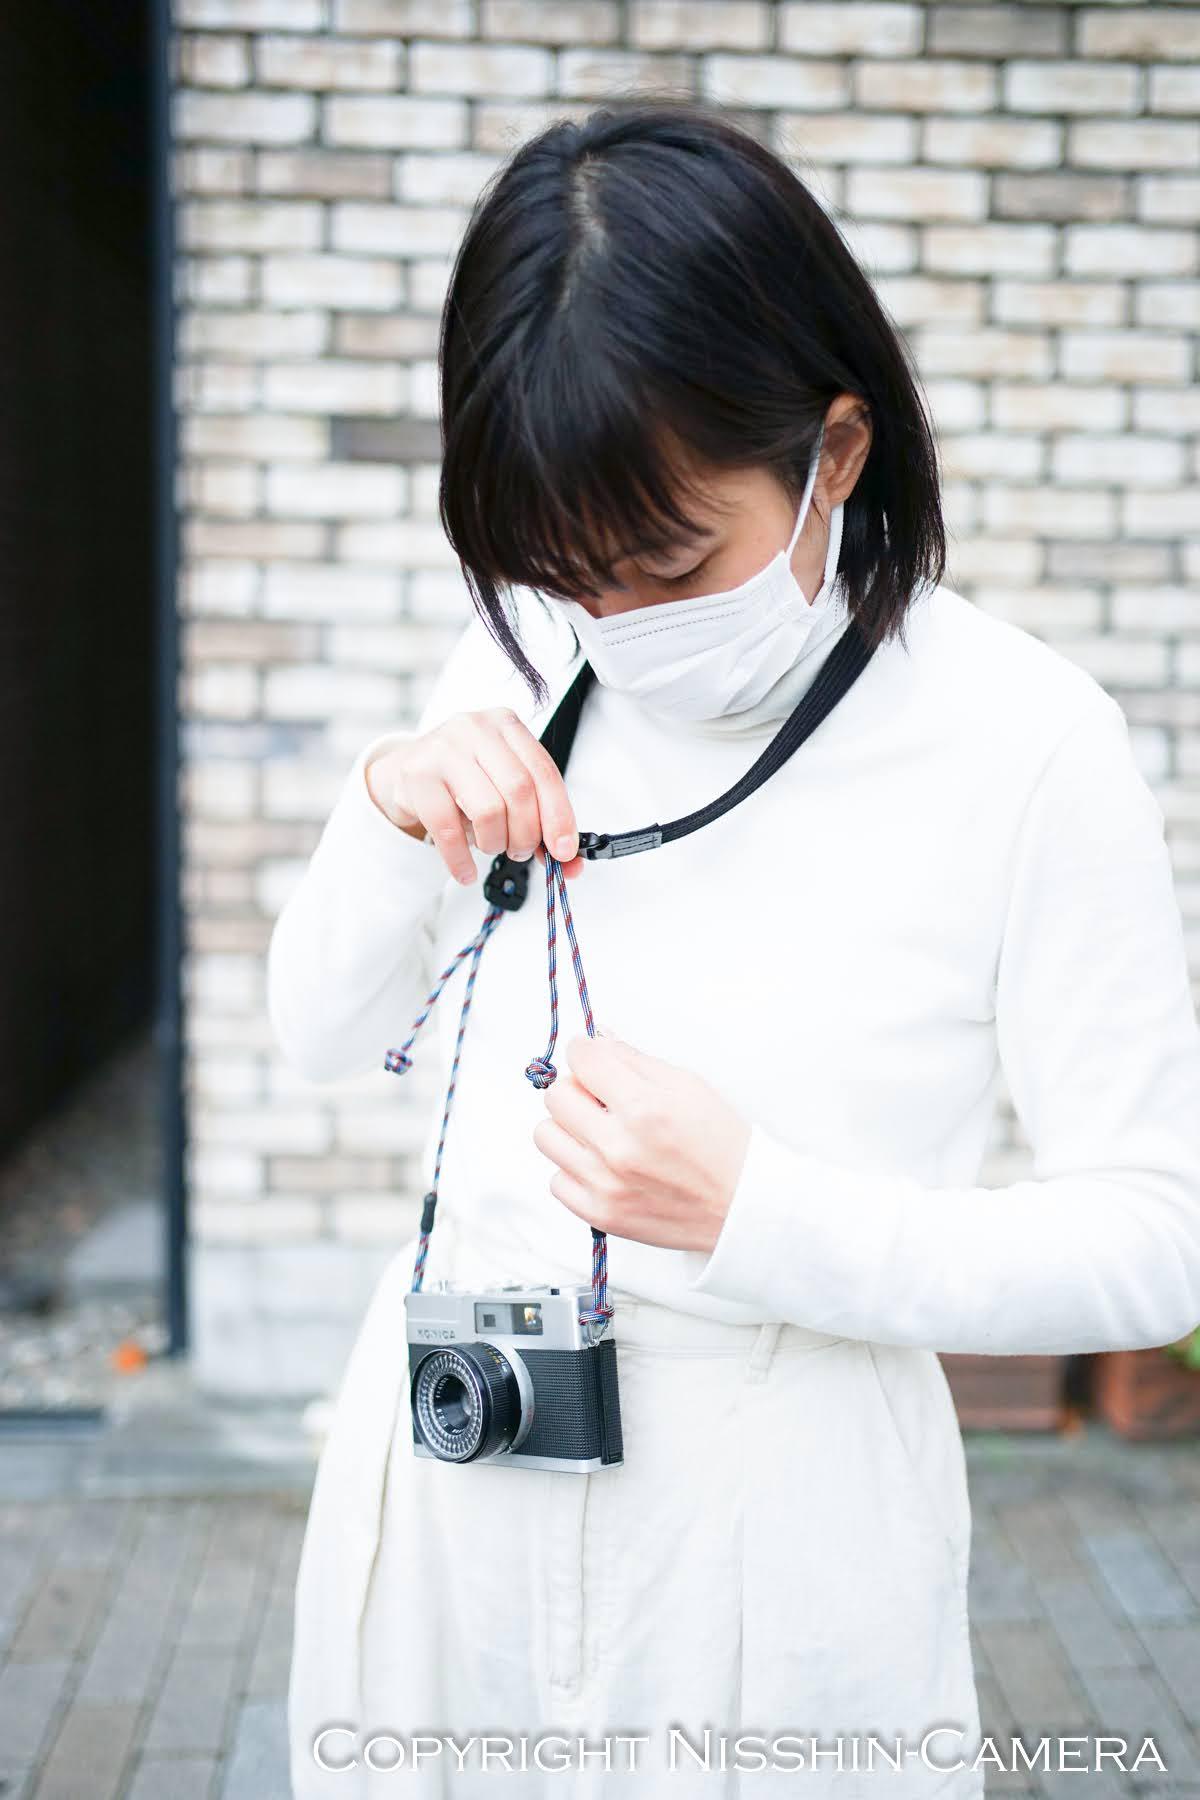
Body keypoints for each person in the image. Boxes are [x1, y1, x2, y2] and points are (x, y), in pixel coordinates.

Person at [268, 97, 1200, 1799]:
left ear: (835, 450)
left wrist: (760, 1215)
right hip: (455, 1493)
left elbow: (1157, 1240)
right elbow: (319, 1039)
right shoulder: (522, 654)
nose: (613, 625)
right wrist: (385, 810)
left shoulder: (1025, 742)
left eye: (667, 560)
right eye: (564, 573)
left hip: (777, 1534)